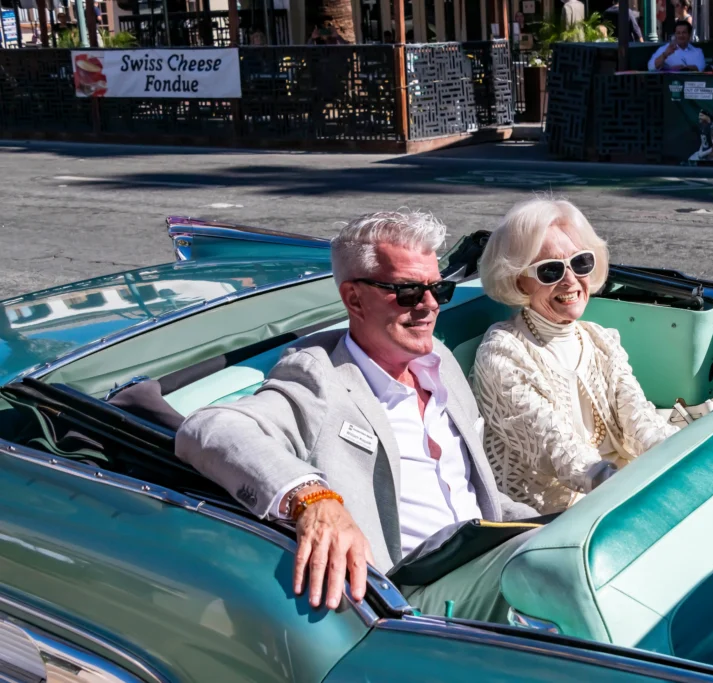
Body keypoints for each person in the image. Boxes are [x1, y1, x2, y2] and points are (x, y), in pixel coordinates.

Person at [176, 211, 537, 620]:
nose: (430, 305)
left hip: (483, 560)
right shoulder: (319, 376)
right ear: (353, 298)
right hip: (406, 601)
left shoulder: (440, 362)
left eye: (439, 289)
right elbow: (209, 428)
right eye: (407, 292)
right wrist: (313, 499)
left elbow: (477, 499)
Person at [472, 199, 679, 514]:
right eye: (550, 270)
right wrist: (624, 490)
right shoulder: (502, 353)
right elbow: (557, 449)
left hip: (619, 490)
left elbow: (639, 419)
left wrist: (681, 454)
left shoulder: (599, 339)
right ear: (518, 280)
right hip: (554, 516)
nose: (570, 280)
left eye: (580, 262)